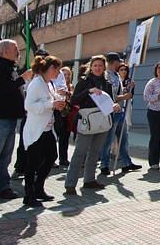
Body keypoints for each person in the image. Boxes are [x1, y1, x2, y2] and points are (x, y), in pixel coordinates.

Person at [65, 55, 121, 195]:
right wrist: (88, 91)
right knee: (80, 152)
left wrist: (115, 106)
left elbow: (110, 101)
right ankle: (70, 183)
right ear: (91, 66)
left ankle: (89, 180)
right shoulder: (84, 81)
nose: (98, 68)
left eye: (100, 66)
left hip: (102, 120)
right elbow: (74, 100)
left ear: (104, 67)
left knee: (95, 152)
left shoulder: (107, 83)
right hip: (87, 120)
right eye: (95, 65)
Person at [0, 39, 33, 204]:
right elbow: (0, 91)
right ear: (5, 51)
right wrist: (21, 79)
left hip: (10, 119)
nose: (18, 51)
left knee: (5, 158)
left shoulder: (9, 68)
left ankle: (2, 187)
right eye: (15, 48)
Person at [22, 55, 66, 207]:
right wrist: (51, 104)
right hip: (36, 130)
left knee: (51, 156)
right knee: (32, 163)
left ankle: (38, 188)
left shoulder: (49, 84)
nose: (58, 72)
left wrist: (57, 103)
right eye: (56, 69)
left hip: (47, 129)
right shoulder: (36, 83)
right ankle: (29, 194)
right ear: (48, 68)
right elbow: (28, 106)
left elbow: (50, 102)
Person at [100, 53, 141, 175]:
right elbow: (110, 96)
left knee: (124, 139)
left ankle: (126, 163)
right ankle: (104, 165)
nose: (119, 64)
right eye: (118, 62)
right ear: (114, 62)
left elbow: (119, 90)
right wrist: (125, 96)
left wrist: (127, 88)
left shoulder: (116, 75)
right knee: (108, 139)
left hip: (120, 111)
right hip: (112, 111)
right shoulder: (107, 76)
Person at [56, 66, 74, 167]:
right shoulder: (56, 84)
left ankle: (63, 159)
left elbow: (74, 97)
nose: (66, 76)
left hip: (67, 115)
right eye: (64, 74)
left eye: (68, 74)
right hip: (57, 114)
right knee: (54, 137)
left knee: (65, 138)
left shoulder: (70, 86)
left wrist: (67, 93)